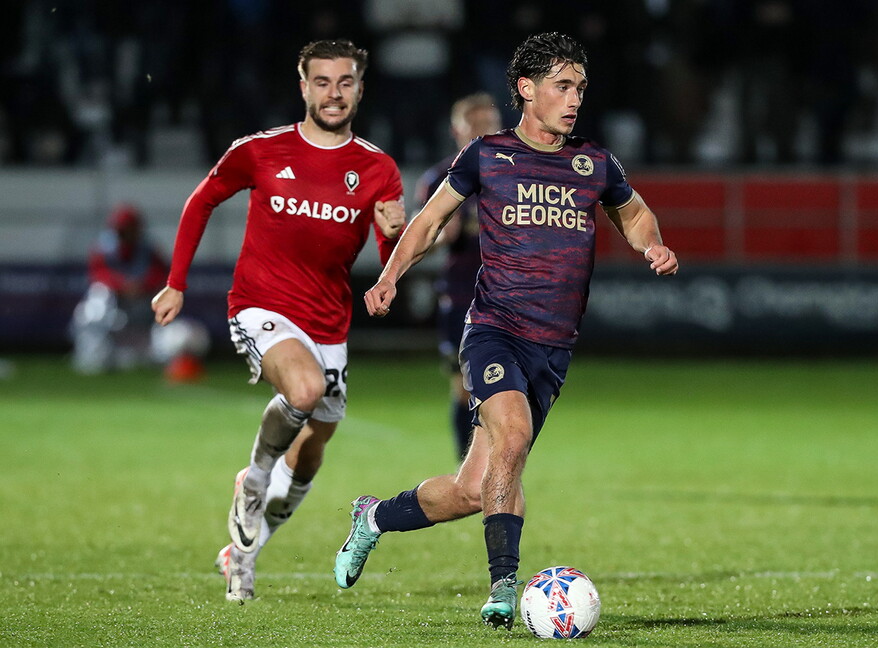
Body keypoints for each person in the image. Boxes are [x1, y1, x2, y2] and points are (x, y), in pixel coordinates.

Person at [334, 32, 678, 629]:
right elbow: (430, 221)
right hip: (494, 329)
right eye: (562, 86)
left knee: (473, 490)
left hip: (554, 346)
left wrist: (652, 244)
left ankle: (373, 517)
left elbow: (634, 212)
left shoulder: (593, 162)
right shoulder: (487, 155)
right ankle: (503, 586)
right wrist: (389, 276)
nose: (575, 99)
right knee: (513, 438)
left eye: (580, 88)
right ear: (527, 89)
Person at [150, 39, 406, 602]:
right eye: (323, 82)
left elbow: (390, 260)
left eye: (345, 82)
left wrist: (393, 235)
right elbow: (202, 200)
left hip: (328, 322)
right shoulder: (261, 150)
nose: (334, 94)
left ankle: (244, 554)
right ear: (304, 87)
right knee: (305, 390)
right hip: (260, 304)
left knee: (313, 447)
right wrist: (176, 281)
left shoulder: (378, 168)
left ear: (360, 89)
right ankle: (255, 477)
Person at [415, 92, 502, 459]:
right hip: (463, 294)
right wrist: (440, 235)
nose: (483, 132)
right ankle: (467, 470)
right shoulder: (440, 179)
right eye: (475, 125)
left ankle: (497, 468)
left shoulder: (518, 173)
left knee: (508, 388)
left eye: (489, 124)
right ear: (457, 130)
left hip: (511, 295)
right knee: (465, 387)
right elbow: (421, 239)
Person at [71, 204, 169, 374]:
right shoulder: (104, 248)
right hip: (115, 305)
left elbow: (162, 275)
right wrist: (122, 285)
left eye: (129, 230)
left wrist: (141, 286)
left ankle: (155, 355)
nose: (125, 234)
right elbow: (98, 274)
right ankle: (94, 354)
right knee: (97, 298)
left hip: (142, 305)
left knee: (168, 303)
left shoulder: (149, 249)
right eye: (121, 230)